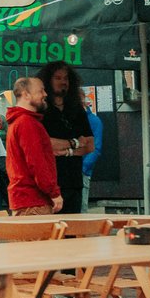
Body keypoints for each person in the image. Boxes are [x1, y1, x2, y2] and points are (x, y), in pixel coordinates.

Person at [38, 61, 95, 213]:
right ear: (48, 81)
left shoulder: (76, 109)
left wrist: (65, 151)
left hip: (74, 181)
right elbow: (44, 144)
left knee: (74, 228)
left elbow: (90, 145)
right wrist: (75, 143)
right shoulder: (41, 111)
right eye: (58, 78)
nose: (63, 82)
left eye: (66, 78)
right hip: (50, 183)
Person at [5, 78, 61, 215]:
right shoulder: (27, 123)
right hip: (33, 201)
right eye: (40, 90)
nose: (45, 94)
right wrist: (54, 192)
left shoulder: (19, 122)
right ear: (26, 95)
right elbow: (37, 162)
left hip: (26, 201)